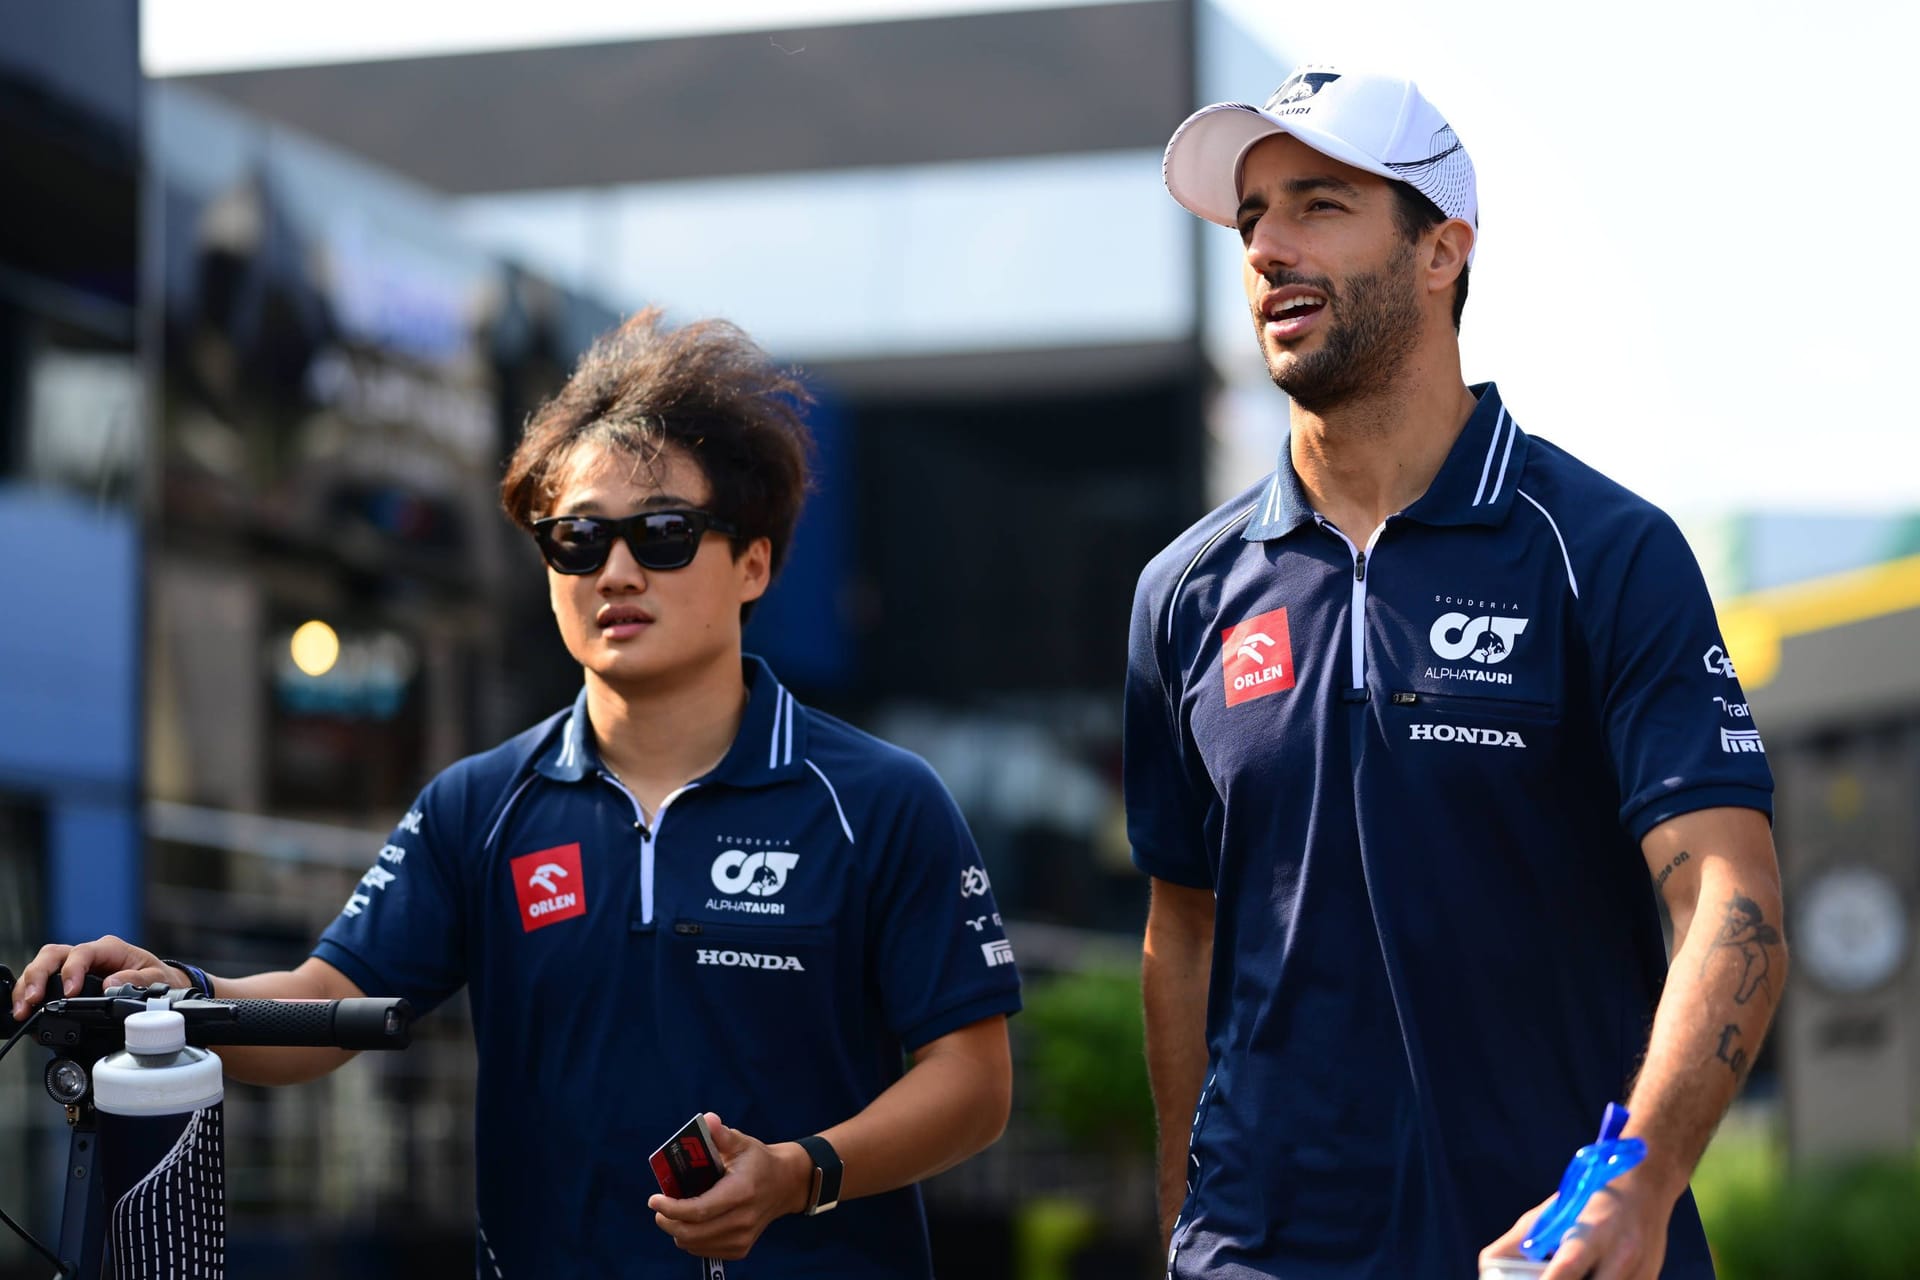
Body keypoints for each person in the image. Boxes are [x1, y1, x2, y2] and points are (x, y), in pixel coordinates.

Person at [13, 308, 1021, 1277]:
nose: (617, 569)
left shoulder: (881, 799)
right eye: (577, 539)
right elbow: (324, 1006)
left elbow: (974, 1085)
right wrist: (182, 993)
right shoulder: (476, 805)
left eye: (663, 532)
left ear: (752, 561)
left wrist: (802, 1173)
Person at [1128, 65, 1784, 1279]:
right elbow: (1184, 931)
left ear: (1443, 252)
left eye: (1318, 204)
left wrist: (1633, 1192)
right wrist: (1184, 1229)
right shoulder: (1184, 593)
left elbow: (1730, 903)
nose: (1268, 245)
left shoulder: (1602, 550)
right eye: (1252, 216)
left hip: (1554, 1252)